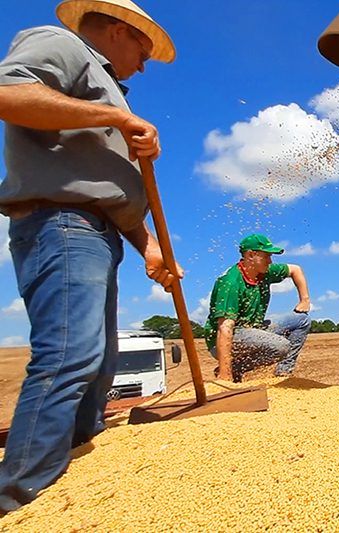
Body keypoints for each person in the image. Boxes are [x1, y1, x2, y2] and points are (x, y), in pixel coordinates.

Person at [0, 0, 178, 514]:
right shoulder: (62, 46)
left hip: (95, 232)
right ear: (118, 30)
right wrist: (113, 116)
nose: (143, 66)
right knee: (69, 356)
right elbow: (9, 92)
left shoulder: (107, 90)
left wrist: (147, 247)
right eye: (142, 52)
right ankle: (19, 497)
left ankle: (77, 473)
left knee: (98, 363)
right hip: (62, 224)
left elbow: (109, 191)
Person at [206, 234, 312, 383]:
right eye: (266, 256)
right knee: (281, 347)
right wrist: (225, 374)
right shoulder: (230, 283)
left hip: (253, 329)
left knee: (302, 320)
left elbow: (296, 269)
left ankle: (283, 374)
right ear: (250, 255)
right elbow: (225, 328)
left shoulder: (264, 271)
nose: (270, 261)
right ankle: (232, 368)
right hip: (226, 338)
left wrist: (305, 300)